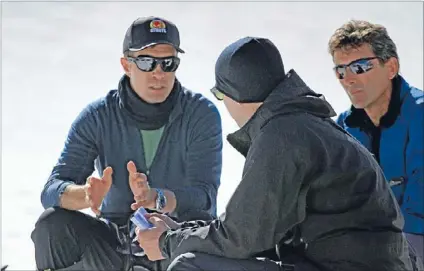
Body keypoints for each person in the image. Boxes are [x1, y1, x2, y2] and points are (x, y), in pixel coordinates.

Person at [135, 36, 416, 271]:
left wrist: (166, 242)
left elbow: (240, 238)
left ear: (233, 95)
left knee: (192, 266)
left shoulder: (282, 135)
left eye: (219, 95)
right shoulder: (307, 125)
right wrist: (179, 231)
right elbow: (257, 231)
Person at [30, 16, 223, 271]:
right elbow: (51, 190)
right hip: (116, 247)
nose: (159, 73)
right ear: (126, 64)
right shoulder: (98, 117)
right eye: (146, 62)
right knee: (52, 224)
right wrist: (85, 196)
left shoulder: (201, 115)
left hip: (176, 244)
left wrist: (158, 199)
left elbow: (204, 197)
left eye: (168, 63)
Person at [329, 20, 424, 263]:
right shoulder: (343, 128)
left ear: (391, 67)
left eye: (360, 67)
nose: (348, 78)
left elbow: (419, 212)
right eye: (340, 70)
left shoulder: (420, 114)